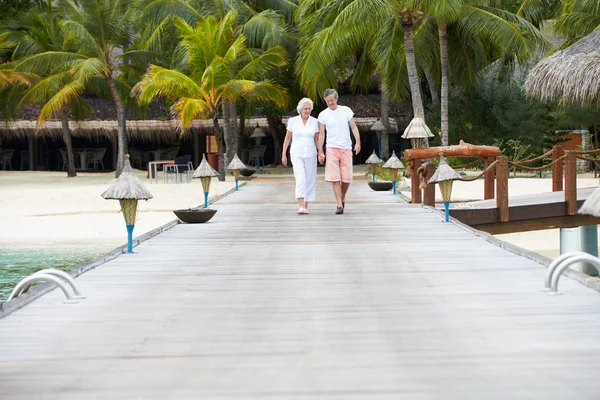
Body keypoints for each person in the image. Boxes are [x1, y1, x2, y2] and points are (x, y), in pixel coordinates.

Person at [317, 89, 361, 215]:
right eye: (327, 101)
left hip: (346, 148)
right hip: (331, 148)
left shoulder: (346, 110)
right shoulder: (323, 115)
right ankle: (339, 205)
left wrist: (358, 142)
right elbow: (321, 134)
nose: (330, 103)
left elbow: (353, 127)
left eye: (332, 100)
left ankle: (341, 198)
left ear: (336, 99)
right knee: (335, 179)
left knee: (346, 179)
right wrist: (320, 151)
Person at [282, 97, 319, 214]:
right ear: (300, 109)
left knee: (309, 179)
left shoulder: (315, 121)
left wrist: (321, 152)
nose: (307, 111)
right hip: (296, 153)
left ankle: (305, 205)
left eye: (309, 109)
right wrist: (284, 154)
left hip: (311, 153)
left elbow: (317, 139)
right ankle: (301, 204)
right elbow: (287, 138)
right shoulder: (293, 121)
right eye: (305, 109)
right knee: (301, 177)